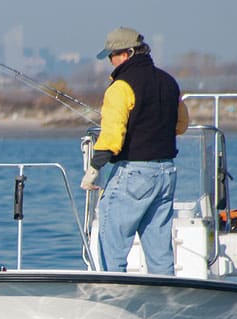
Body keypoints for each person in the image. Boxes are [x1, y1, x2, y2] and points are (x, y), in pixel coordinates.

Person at [81, 26, 189, 275]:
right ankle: (165, 303)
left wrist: (94, 168)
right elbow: (181, 125)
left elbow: (111, 137)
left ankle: (114, 302)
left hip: (133, 174)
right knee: (161, 254)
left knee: (113, 247)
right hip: (166, 174)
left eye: (112, 55)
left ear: (127, 53)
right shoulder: (169, 82)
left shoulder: (120, 87)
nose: (111, 62)